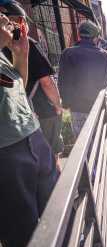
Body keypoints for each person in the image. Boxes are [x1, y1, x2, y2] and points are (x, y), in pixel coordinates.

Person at [0, 12, 58, 247]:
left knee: (55, 209)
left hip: (33, 138)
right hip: (7, 153)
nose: (5, 18)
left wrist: (20, 55)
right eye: (0, 16)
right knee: (23, 235)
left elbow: (17, 88)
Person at [1, 1, 64, 172]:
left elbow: (18, 83)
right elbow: (47, 82)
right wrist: (58, 105)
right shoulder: (27, 43)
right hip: (41, 112)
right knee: (51, 157)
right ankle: (60, 192)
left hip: (21, 118)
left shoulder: (11, 48)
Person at [58, 20, 107, 138]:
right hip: (99, 108)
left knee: (81, 144)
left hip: (77, 108)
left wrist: (66, 103)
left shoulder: (68, 53)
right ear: (96, 38)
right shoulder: (106, 56)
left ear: (79, 35)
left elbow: (63, 82)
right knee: (98, 143)